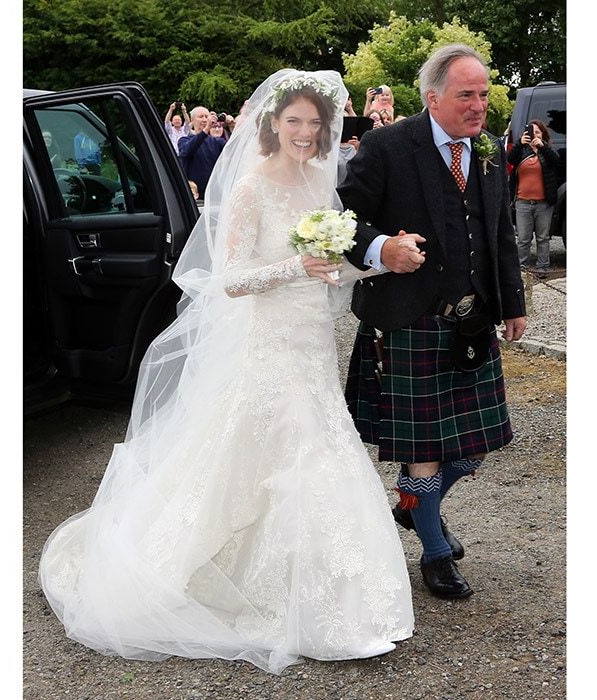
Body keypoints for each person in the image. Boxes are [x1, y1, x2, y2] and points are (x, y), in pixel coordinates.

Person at [38, 69, 414, 675]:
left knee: (314, 452)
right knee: (299, 456)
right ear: (271, 124)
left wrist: (381, 264)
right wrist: (297, 266)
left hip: (312, 344)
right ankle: (306, 611)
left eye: (315, 124)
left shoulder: (321, 184)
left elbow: (331, 270)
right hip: (267, 346)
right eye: (294, 122)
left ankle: (341, 603)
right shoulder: (249, 188)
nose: (305, 133)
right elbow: (231, 281)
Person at [338, 44, 527, 600]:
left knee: (474, 447)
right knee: (424, 450)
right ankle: (435, 554)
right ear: (433, 97)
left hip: (472, 322)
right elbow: (339, 217)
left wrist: (512, 302)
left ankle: (412, 503)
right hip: (408, 323)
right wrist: (380, 248)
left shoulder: (488, 150)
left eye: (484, 95)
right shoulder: (388, 145)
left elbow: (500, 233)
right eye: (466, 95)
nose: (478, 106)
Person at [507, 119, 561, 278]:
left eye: (537, 132)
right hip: (523, 202)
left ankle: (542, 268)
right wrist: (520, 144)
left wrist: (542, 147)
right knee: (523, 238)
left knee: (543, 238)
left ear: (543, 134)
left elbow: (556, 161)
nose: (534, 135)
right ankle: (521, 268)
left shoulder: (547, 150)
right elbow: (509, 159)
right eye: (531, 132)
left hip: (544, 203)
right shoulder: (521, 150)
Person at [178, 107, 227, 198]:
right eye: (201, 117)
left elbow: (234, 149)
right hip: (194, 196)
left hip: (213, 194)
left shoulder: (216, 142)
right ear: (192, 120)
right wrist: (207, 129)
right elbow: (187, 151)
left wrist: (233, 126)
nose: (204, 120)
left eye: (206, 116)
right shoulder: (184, 140)